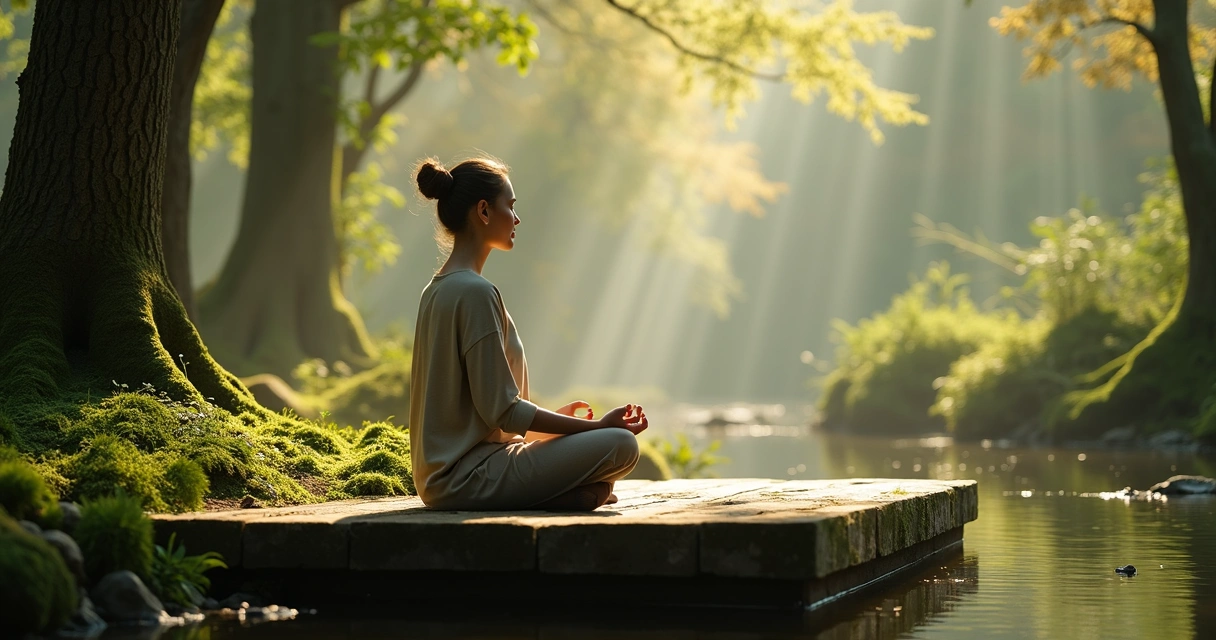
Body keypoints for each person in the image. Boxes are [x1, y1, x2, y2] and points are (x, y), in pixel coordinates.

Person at [408, 155, 647, 511]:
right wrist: (596, 427)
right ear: (484, 211)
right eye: (511, 206)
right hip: (468, 477)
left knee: (606, 452)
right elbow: (504, 411)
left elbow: (484, 415)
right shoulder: (475, 293)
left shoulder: (436, 290)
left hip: (446, 478)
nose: (517, 218)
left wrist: (555, 426)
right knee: (621, 445)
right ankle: (567, 492)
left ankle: (573, 493)